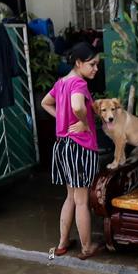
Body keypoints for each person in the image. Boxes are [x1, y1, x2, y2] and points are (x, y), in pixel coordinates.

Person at [41, 42, 102, 260]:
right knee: (82, 200)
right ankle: (86, 248)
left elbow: (45, 103)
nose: (96, 68)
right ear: (78, 63)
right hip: (79, 146)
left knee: (70, 197)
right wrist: (84, 122)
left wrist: (62, 119)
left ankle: (62, 243)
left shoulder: (61, 83)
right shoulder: (78, 84)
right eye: (92, 64)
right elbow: (77, 106)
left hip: (63, 146)